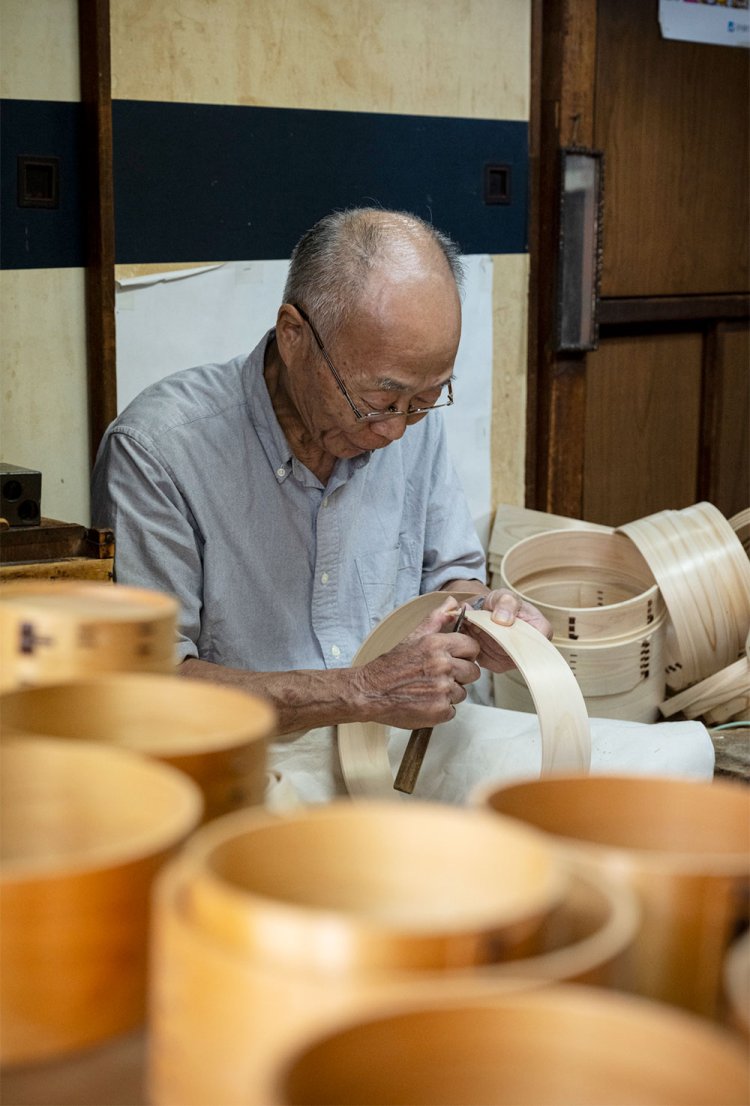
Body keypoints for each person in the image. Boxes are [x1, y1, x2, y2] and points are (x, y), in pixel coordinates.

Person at [91, 207, 551, 800]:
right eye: (378, 400)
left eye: (428, 397)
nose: (396, 430)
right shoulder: (158, 451)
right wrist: (360, 691)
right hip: (245, 763)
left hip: (392, 743)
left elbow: (450, 580)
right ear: (294, 336)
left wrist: (485, 616)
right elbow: (154, 686)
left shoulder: (408, 417)